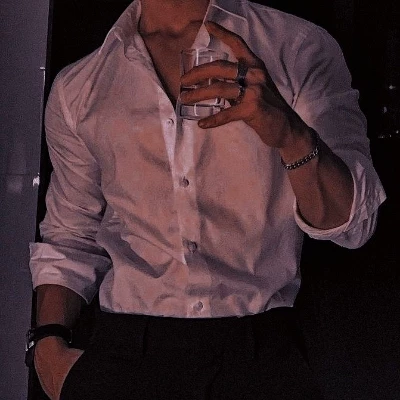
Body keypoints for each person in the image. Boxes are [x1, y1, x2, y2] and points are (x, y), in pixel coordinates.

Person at [28, 0, 386, 399]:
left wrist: (291, 134)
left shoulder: (296, 46)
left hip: (259, 351)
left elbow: (352, 224)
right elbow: (71, 234)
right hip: (124, 350)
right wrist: (47, 346)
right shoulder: (79, 85)